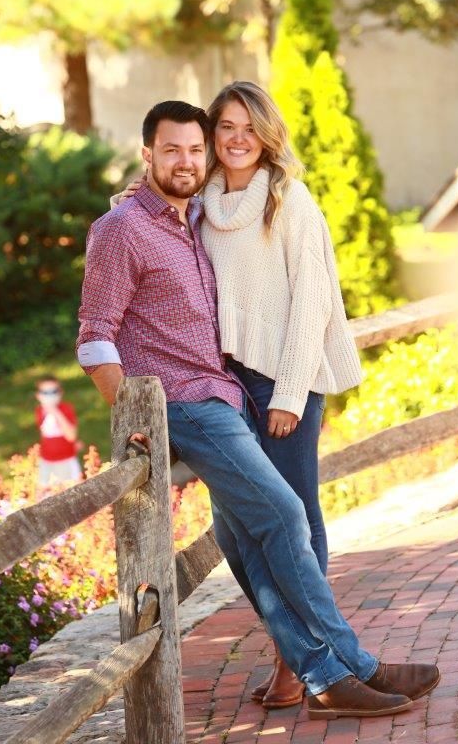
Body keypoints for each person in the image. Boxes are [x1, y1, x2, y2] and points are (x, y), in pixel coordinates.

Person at [77, 100, 439, 720]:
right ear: (148, 154)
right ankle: (354, 665)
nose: (188, 160)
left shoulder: (196, 215)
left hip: (230, 392)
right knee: (281, 513)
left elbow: (302, 300)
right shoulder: (123, 228)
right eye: (173, 149)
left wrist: (291, 391)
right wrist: (134, 418)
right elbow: (94, 334)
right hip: (186, 402)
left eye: (195, 149)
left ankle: (321, 671)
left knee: (251, 531)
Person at [113, 80, 361, 708]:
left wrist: (291, 391)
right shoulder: (201, 205)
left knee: (295, 515)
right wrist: (125, 200)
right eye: (226, 127)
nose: (239, 138)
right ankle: (305, 652)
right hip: (224, 383)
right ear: (213, 136)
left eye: (250, 126)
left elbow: (311, 303)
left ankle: (300, 664)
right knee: (239, 530)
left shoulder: (289, 199)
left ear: (267, 133)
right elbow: (152, 224)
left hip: (283, 380)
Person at [35, 375, 82, 489]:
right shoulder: (40, 411)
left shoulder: (66, 409)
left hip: (65, 458)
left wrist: (55, 412)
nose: (49, 396)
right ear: (38, 396)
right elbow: (45, 433)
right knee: (46, 490)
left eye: (53, 392)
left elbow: (71, 436)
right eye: (45, 393)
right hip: (47, 458)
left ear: (60, 393)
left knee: (70, 490)